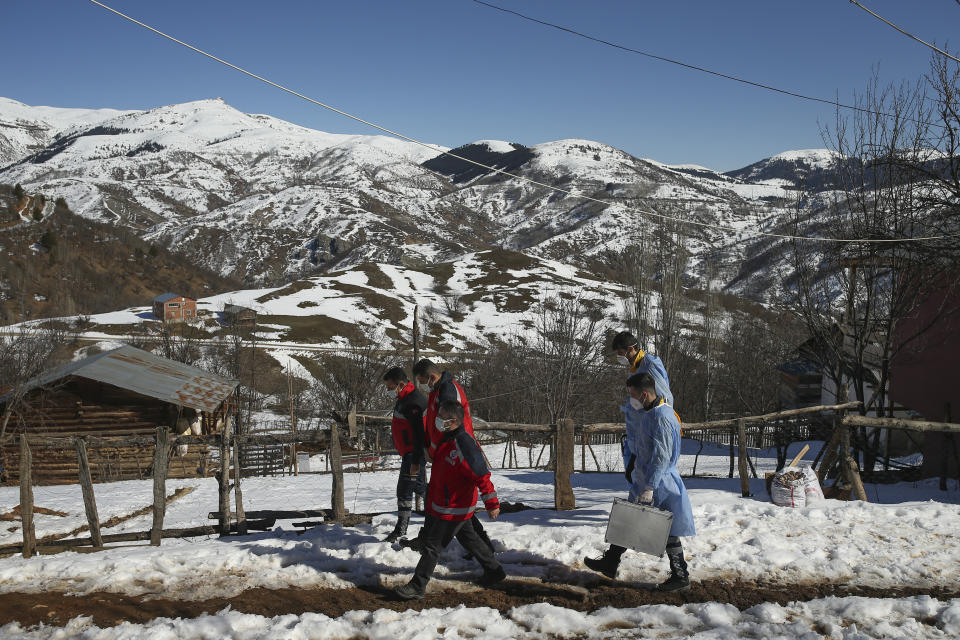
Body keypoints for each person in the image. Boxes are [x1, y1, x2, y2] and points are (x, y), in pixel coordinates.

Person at [584, 372, 695, 592]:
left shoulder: (662, 417)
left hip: (660, 482)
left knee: (668, 528)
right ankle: (611, 560)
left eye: (633, 395)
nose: (631, 400)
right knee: (629, 518)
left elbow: (661, 457)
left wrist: (650, 486)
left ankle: (681, 575)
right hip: (647, 478)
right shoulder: (651, 413)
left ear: (644, 394)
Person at [394, 400, 505, 600]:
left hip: (453, 506)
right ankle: (495, 571)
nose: (437, 420)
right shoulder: (448, 439)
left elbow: (481, 474)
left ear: (452, 421)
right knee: (470, 540)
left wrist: (492, 503)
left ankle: (418, 585)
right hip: (448, 503)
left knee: (432, 547)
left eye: (441, 417)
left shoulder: (464, 443)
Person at [412, 358, 494, 555]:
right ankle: (485, 553)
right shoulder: (437, 390)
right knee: (445, 499)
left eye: (423, 381)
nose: (422, 385)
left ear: (431, 377)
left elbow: (448, 425)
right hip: (444, 453)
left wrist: (437, 450)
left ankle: (432, 545)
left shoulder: (447, 392)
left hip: (454, 454)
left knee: (453, 501)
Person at [611, 331, 674, 493]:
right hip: (639, 427)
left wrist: (653, 423)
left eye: (621, 352)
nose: (619, 356)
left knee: (652, 472)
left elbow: (663, 397)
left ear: (631, 349)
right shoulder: (635, 367)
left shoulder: (649, 365)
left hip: (650, 428)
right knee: (635, 473)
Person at [382, 366, 428, 543]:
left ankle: (401, 529)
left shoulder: (412, 401)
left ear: (400, 384)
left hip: (413, 453)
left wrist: (416, 459)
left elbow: (418, 433)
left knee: (405, 489)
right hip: (409, 452)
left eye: (389, 387)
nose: (388, 391)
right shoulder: (404, 398)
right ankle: (440, 504)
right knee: (417, 486)